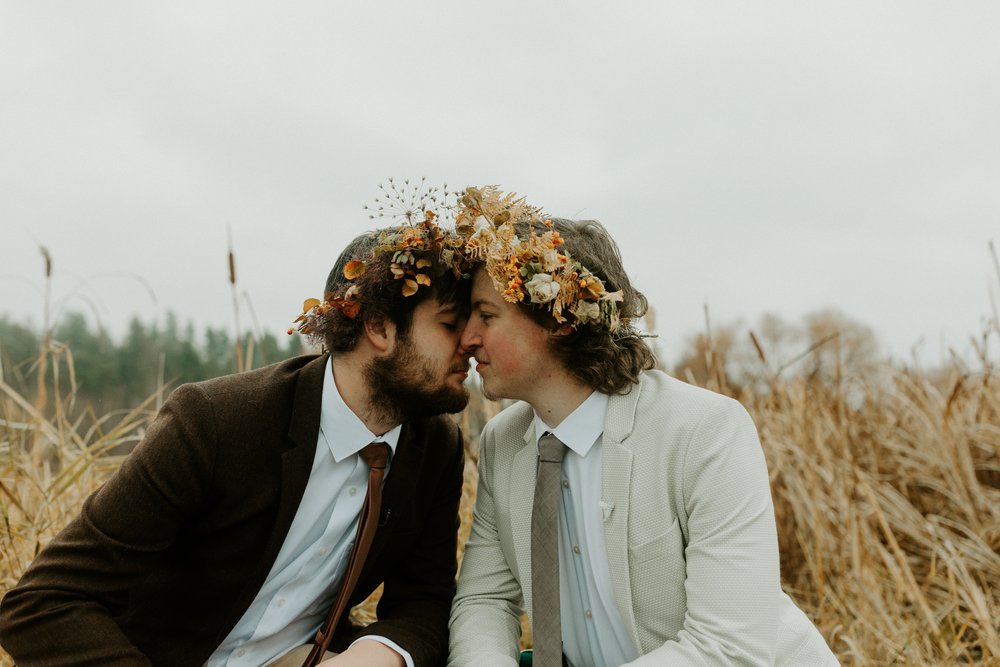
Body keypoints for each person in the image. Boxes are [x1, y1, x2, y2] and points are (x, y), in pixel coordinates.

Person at [0, 215, 473, 667]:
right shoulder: (215, 422)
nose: (471, 342)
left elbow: (423, 602)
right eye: (451, 325)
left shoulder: (436, 447)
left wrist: (381, 654)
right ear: (379, 328)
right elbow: (43, 602)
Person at [447, 186, 839, 666]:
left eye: (486, 316)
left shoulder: (706, 430)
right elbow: (484, 600)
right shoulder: (501, 443)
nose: (467, 338)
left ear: (560, 319)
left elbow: (728, 649)